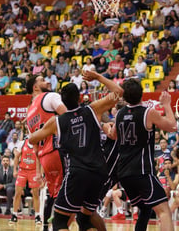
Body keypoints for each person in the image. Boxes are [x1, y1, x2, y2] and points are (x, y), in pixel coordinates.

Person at [29, 70, 123, 231]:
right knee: (85, 219)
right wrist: (98, 77)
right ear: (79, 97)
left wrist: (44, 126)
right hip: (99, 172)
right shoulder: (92, 109)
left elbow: (32, 139)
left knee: (59, 221)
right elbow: (119, 92)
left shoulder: (56, 121)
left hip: (77, 172)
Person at [110, 79, 176, 231]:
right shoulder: (148, 113)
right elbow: (172, 126)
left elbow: (113, 135)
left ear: (124, 97)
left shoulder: (119, 114)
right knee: (164, 211)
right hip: (142, 171)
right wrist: (166, 105)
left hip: (124, 174)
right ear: (141, 94)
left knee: (145, 209)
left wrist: (106, 127)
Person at [25, 74, 67, 231]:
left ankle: (45, 227)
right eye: (42, 80)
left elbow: (35, 148)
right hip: (58, 150)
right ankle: (60, 226)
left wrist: (39, 172)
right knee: (69, 194)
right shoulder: (50, 97)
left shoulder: (29, 115)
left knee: (54, 195)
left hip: (45, 158)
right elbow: (68, 116)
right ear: (35, 87)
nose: (47, 81)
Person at [10, 137, 42, 224]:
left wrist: (39, 173)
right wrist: (15, 170)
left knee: (35, 193)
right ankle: (14, 214)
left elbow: (40, 160)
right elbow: (16, 157)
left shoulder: (38, 143)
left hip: (33, 171)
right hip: (22, 170)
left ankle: (37, 216)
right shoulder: (22, 143)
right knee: (17, 193)